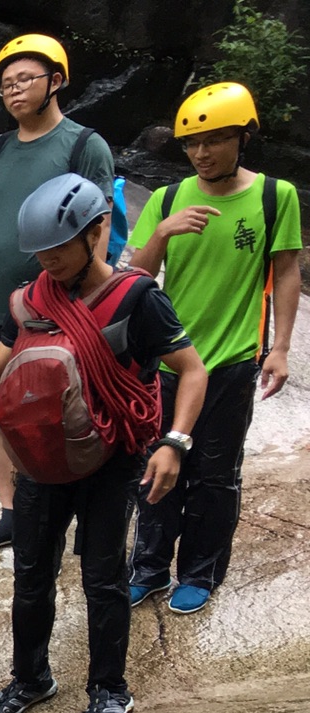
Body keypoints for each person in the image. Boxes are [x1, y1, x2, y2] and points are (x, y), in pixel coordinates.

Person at [0, 173, 206, 713]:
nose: (49, 260)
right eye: (40, 251)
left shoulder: (138, 300)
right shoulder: (29, 300)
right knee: (32, 573)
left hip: (111, 458)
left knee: (103, 577)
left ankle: (110, 689)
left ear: (96, 231)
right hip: (40, 457)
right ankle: (30, 678)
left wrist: (174, 442)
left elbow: (192, 370)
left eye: (59, 247)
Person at [0, 34, 117, 556]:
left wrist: (85, 302)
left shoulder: (84, 146)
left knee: (60, 410)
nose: (14, 90)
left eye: (25, 79)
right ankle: (13, 516)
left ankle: (66, 513)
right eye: (6, 84)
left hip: (55, 310)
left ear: (55, 81)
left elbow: (97, 224)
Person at [123, 81, 301, 615]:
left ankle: (199, 572)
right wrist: (163, 233)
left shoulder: (275, 196)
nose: (202, 153)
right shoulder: (168, 199)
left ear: (243, 138)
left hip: (231, 360)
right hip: (170, 360)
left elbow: (287, 271)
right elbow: (134, 278)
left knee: (215, 474)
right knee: (156, 465)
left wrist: (282, 348)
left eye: (215, 140)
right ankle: (150, 567)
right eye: (192, 144)